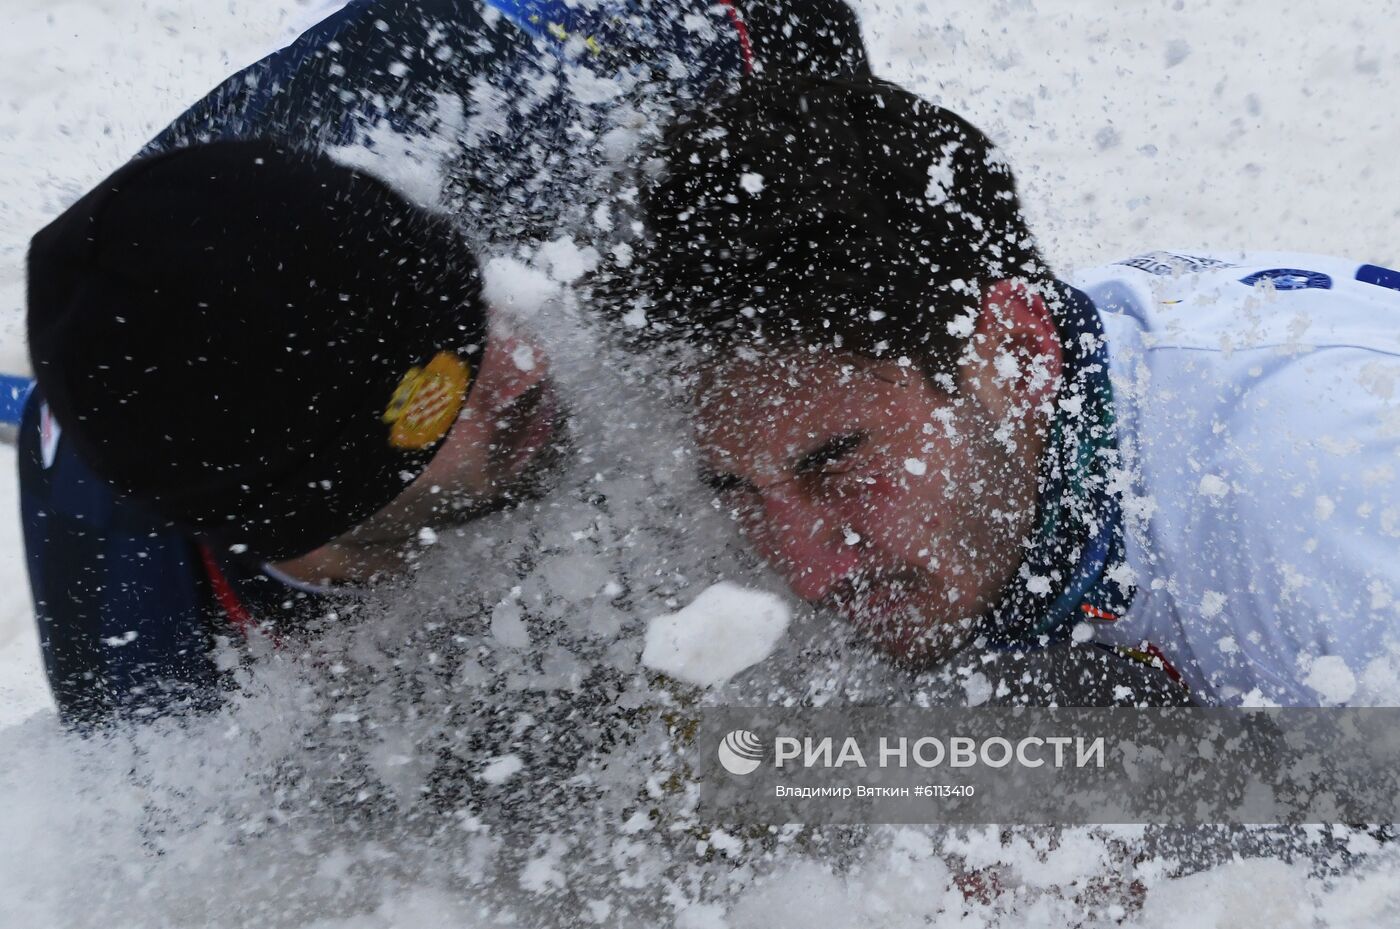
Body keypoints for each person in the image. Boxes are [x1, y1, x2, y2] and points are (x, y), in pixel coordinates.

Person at [19, 0, 871, 726]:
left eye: (481, 309)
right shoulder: (144, 646)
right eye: (441, 389)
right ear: (318, 506)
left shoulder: (542, 107)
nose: (527, 363)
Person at [616, 73, 1400, 707]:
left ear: (1017, 355)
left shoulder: (1322, 501)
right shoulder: (1018, 400)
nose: (805, 571)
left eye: (837, 461)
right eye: (739, 489)